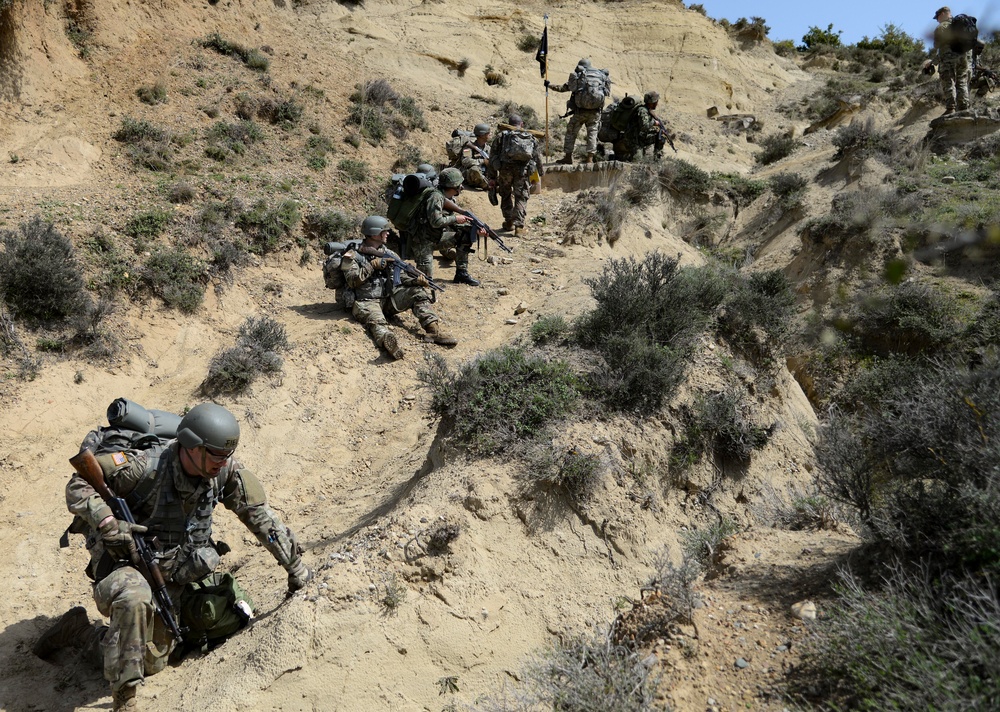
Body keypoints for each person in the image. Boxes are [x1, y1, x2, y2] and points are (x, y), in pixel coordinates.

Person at [38, 403, 313, 711]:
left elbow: (259, 516)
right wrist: (106, 521)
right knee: (134, 598)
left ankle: (79, 630)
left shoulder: (224, 471)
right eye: (216, 455)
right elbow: (79, 484)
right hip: (122, 561)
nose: (223, 463)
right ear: (192, 447)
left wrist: (296, 568)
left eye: (226, 456)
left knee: (151, 661)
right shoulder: (142, 466)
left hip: (171, 566)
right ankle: (124, 701)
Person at [341, 215, 458, 359]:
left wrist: (417, 281)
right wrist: (371, 266)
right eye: (385, 230)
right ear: (374, 233)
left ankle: (432, 331)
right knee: (376, 320)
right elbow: (352, 281)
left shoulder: (388, 253)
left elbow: (400, 277)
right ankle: (387, 340)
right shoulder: (353, 254)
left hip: (389, 300)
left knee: (418, 292)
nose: (388, 233)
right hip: (367, 301)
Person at [409, 167, 482, 286]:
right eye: (459, 184)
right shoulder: (436, 197)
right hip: (422, 242)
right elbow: (436, 222)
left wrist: (475, 229)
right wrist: (456, 219)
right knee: (425, 282)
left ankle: (461, 273)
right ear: (453, 186)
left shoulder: (445, 197)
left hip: (435, 237)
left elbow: (451, 223)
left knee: (465, 234)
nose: (462, 187)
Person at [487, 114, 544, 237]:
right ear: (521, 124)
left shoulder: (501, 136)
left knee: (506, 194)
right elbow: (537, 157)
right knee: (521, 197)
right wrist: (540, 173)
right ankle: (519, 227)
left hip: (504, 171)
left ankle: (509, 222)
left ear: (508, 123)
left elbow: (492, 156)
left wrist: (492, 176)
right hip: (522, 171)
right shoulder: (531, 137)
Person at [545, 58, 611, 165]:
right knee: (592, 133)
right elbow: (607, 92)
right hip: (595, 112)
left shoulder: (580, 75)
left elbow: (564, 88)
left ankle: (567, 157)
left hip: (580, 111)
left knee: (571, 132)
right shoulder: (601, 76)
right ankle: (590, 159)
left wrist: (549, 85)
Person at [926, 7, 972, 113]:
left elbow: (937, 46)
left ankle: (951, 108)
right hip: (963, 58)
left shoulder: (942, 27)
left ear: (942, 14)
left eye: (937, 17)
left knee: (948, 81)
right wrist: (933, 62)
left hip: (948, 60)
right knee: (961, 82)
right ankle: (963, 108)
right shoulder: (961, 25)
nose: (937, 20)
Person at [613, 91, 667, 161]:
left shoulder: (647, 110)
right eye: (656, 102)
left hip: (640, 137)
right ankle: (619, 157)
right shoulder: (642, 111)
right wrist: (654, 123)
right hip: (632, 140)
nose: (657, 103)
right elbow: (644, 126)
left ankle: (657, 160)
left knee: (660, 137)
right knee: (638, 160)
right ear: (652, 102)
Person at [455, 124, 491, 189]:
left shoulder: (488, 148)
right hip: (470, 174)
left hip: (484, 173)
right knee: (474, 169)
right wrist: (482, 161)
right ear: (482, 135)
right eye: (488, 133)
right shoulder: (469, 147)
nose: (490, 135)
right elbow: (465, 161)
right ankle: (488, 186)